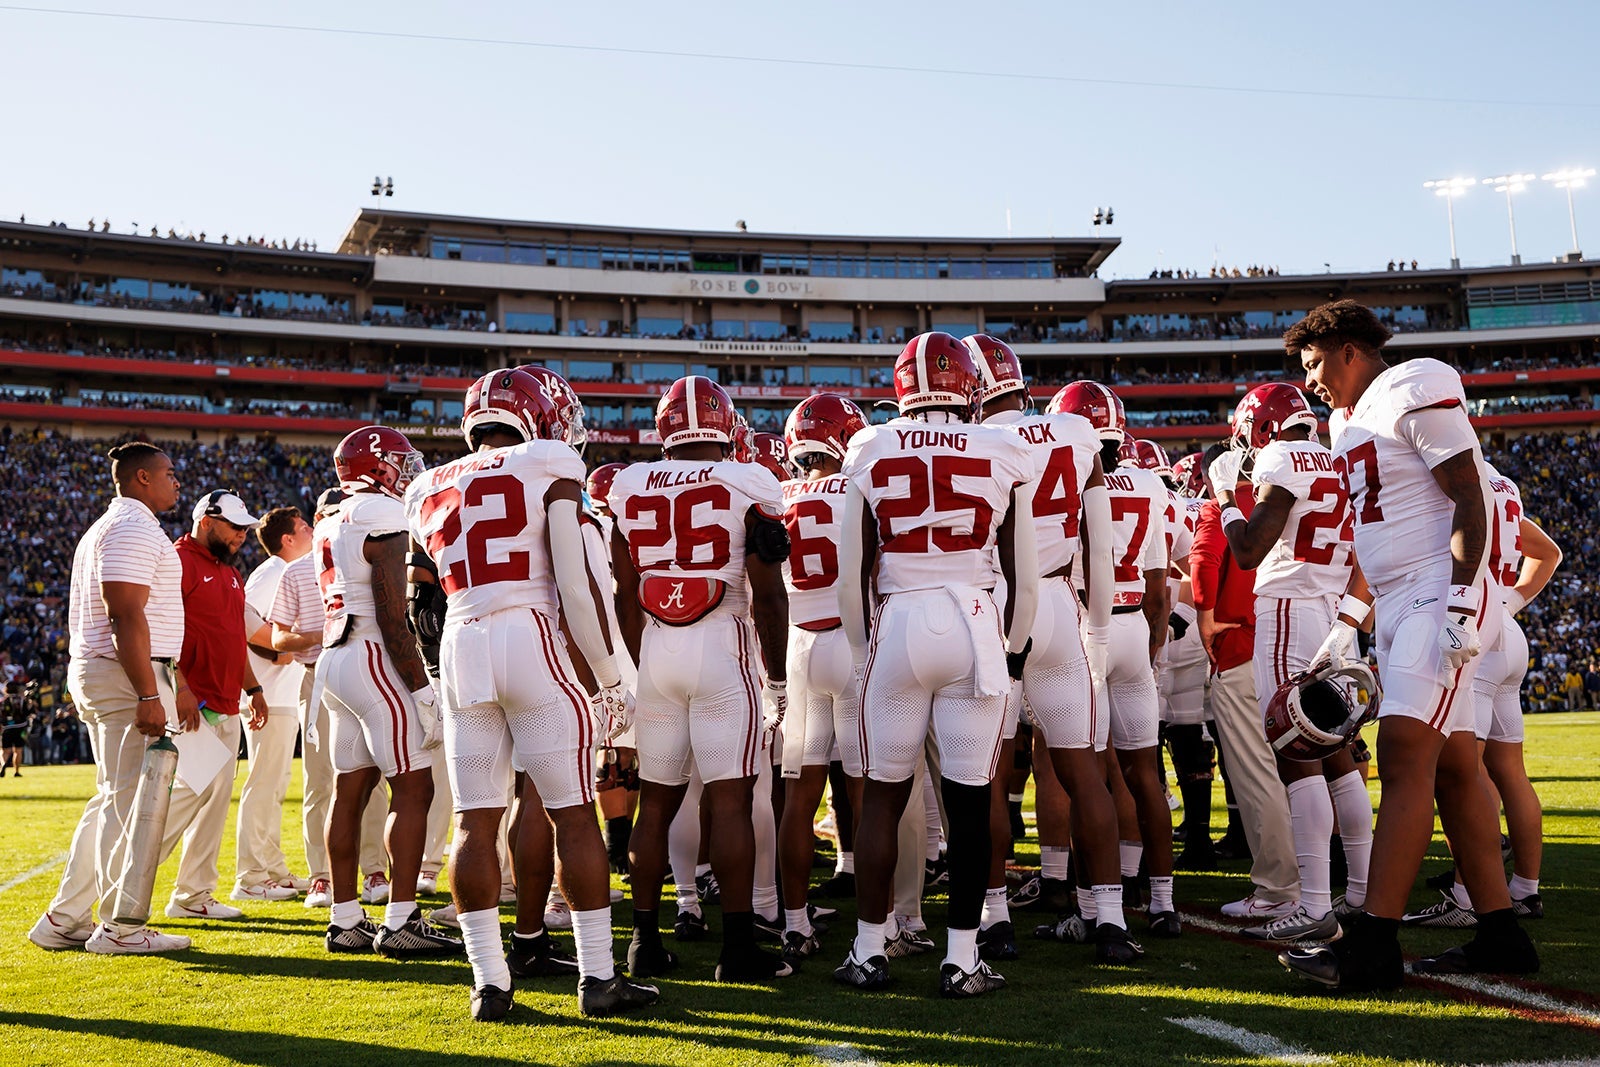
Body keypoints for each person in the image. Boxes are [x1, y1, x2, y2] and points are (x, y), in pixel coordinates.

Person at [1279, 299, 1537, 991]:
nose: (1311, 382)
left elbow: (1466, 496)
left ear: (1348, 349)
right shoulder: (1344, 422)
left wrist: (1459, 601)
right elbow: (1376, 529)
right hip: (1397, 598)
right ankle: (1502, 932)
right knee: (1455, 766)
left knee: (1402, 754)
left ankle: (1372, 945)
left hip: (1439, 586)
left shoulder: (1412, 380)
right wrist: (1350, 617)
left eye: (1314, 364)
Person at [405, 368, 658, 1021]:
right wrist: (611, 675)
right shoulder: (549, 460)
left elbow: (422, 602)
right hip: (530, 633)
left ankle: (490, 985)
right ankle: (600, 978)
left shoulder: (425, 485)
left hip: (461, 644)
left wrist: (435, 677)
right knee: (573, 813)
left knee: (474, 820)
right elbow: (574, 582)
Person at [834, 332, 1037, 997]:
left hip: (897, 616)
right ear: (970, 385)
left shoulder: (869, 445)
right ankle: (962, 958)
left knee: (881, 798)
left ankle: (868, 950)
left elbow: (849, 575)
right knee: (970, 801)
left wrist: (868, 653)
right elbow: (1024, 578)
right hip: (972, 618)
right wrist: (1009, 654)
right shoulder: (1002, 444)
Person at [609, 374, 794, 984]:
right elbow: (767, 595)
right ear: (724, 425)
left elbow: (625, 592)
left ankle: (642, 943)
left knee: (656, 804)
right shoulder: (749, 480)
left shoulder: (630, 485)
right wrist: (777, 679)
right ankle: (738, 949)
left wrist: (642, 664)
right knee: (731, 800)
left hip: (659, 647)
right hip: (724, 642)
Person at [969, 348, 1136, 965]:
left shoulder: (971, 439)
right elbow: (1098, 544)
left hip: (996, 607)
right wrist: (1094, 630)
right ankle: (1109, 919)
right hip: (1063, 604)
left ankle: (994, 919)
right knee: (1084, 773)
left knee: (983, 775)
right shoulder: (1074, 430)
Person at [1209, 384, 1372, 942]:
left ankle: (1310, 904)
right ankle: (1360, 895)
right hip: (1331, 614)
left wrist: (1228, 496)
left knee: (1294, 752)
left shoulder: (1281, 457)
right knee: (1338, 757)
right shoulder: (1342, 459)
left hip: (1288, 609)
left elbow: (1249, 550)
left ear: (1261, 428)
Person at [29, 442, 192, 954]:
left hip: (107, 672)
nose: (176, 482)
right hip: (126, 677)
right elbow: (125, 612)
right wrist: (148, 691)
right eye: (168, 473)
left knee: (110, 800)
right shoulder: (132, 527)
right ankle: (118, 927)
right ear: (141, 478)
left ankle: (64, 918)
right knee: (130, 803)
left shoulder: (115, 524)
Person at [315, 427, 461, 960]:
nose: (408, 469)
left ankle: (346, 919)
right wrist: (421, 688)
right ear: (378, 467)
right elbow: (392, 615)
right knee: (415, 789)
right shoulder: (383, 514)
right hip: (374, 657)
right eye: (400, 461)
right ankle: (401, 920)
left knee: (348, 791)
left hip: (335, 660)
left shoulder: (330, 517)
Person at [1406, 461, 1561, 927]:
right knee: (1510, 771)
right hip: (1506, 632)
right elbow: (1548, 553)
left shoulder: (1453, 476)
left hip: (1473, 628)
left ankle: (1465, 896)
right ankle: (1526, 891)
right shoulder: (1501, 481)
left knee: (1462, 772)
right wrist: (1509, 604)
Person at [773, 392, 869, 963]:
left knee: (799, 796)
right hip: (852, 642)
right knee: (866, 790)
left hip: (800, 645)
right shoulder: (859, 489)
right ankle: (881, 926)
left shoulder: (775, 493)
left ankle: (793, 920)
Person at [1190, 444, 1299, 921]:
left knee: (1256, 776)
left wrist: (1206, 620)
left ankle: (1278, 887)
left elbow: (1204, 561)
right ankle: (1322, 881)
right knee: (1304, 774)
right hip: (1287, 644)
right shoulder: (1280, 499)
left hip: (1240, 652)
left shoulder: (1224, 505)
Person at [270, 488, 389, 910]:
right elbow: (278, 637)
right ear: (320, 517)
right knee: (321, 781)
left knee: (375, 778)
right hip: (317, 675)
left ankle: (375, 869)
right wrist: (325, 634)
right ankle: (321, 877)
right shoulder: (298, 570)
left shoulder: (373, 556)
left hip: (371, 671)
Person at [159, 490, 271, 922]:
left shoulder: (230, 574)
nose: (243, 534)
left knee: (213, 804)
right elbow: (158, 633)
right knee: (180, 803)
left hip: (226, 703)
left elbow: (232, 641)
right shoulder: (178, 562)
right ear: (206, 521)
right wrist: (180, 687)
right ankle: (125, 885)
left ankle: (194, 895)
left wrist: (254, 689)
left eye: (246, 527)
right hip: (194, 704)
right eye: (235, 526)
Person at [234, 505, 314, 902]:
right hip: (267, 692)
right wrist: (278, 653)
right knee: (264, 784)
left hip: (279, 692)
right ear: (288, 538)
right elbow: (244, 621)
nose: (311, 530)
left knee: (275, 784)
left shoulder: (280, 572)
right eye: (304, 527)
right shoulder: (274, 572)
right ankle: (250, 877)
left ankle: (272, 869)